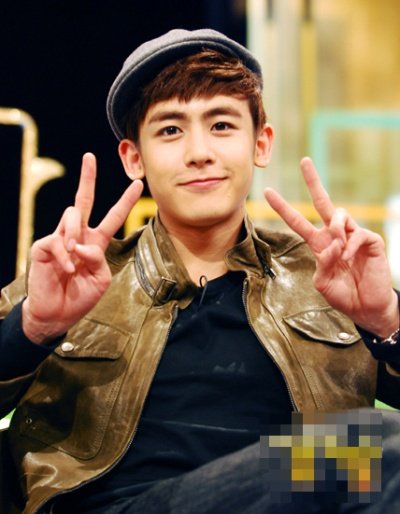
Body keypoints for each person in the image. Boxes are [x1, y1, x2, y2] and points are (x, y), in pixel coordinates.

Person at [0, 28, 399, 514]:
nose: (199, 152)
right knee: (375, 444)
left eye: (222, 125)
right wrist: (34, 328)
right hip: (122, 505)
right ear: (133, 158)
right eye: (170, 130)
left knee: (374, 449)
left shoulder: (322, 278)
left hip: (292, 491)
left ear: (261, 144)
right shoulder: (74, 279)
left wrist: (386, 321)